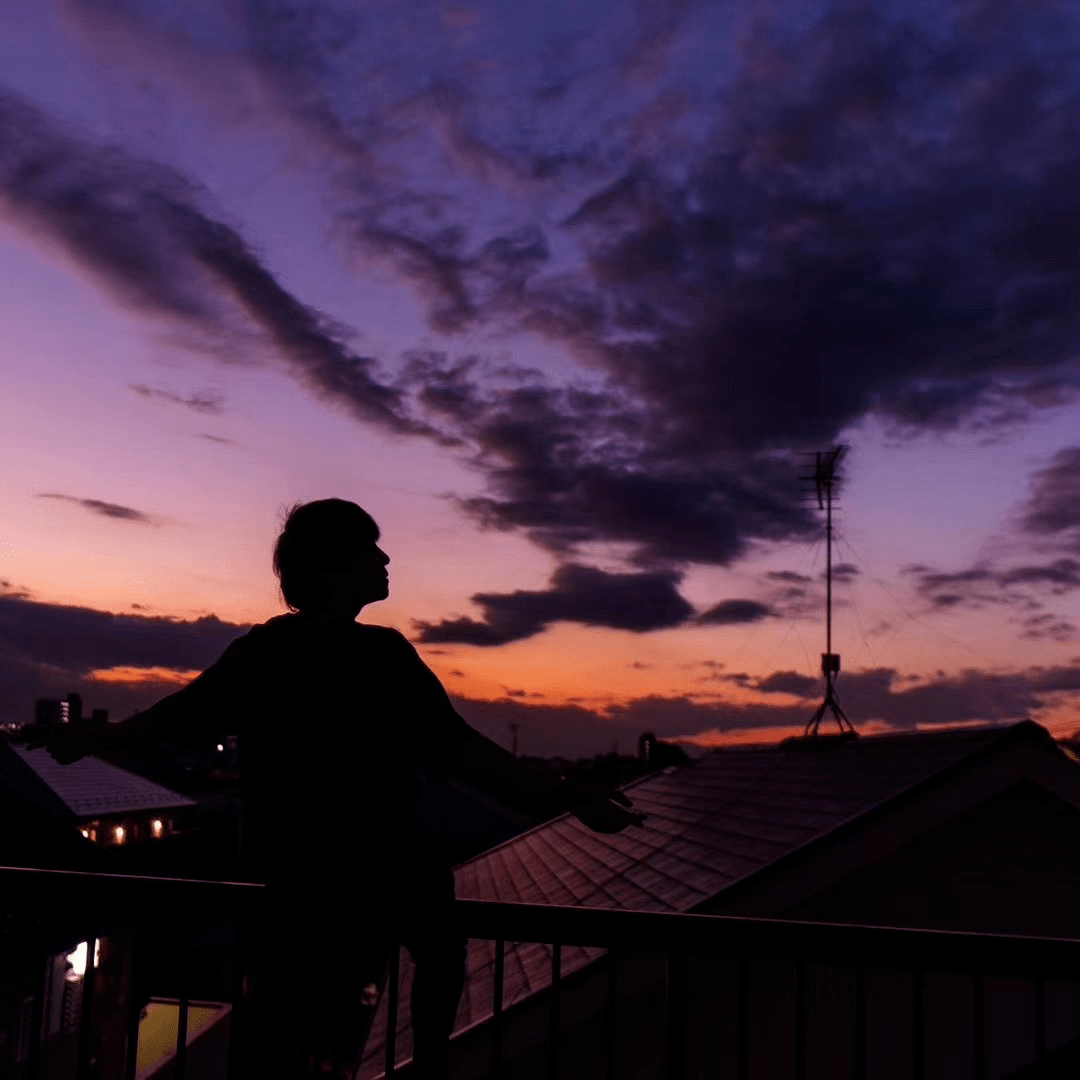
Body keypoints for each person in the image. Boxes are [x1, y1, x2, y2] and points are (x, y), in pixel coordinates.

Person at [33, 498, 645, 1079]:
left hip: (293, 880)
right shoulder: (380, 655)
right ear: (333, 565)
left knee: (282, 1033)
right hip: (381, 867)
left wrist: (92, 741)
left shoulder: (263, 653)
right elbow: (461, 752)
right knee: (435, 935)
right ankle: (429, 1064)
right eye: (370, 550)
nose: (384, 562)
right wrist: (570, 798)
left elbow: (168, 723)